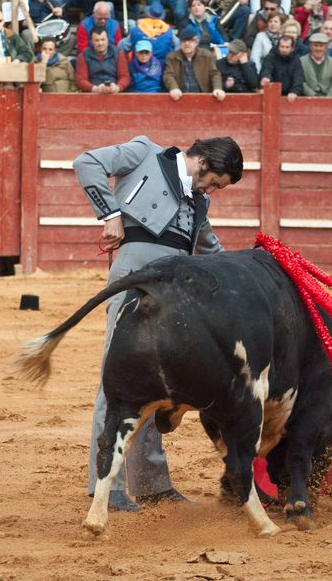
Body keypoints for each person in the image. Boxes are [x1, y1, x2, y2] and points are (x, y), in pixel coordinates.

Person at [74, 134, 244, 512]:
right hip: (134, 276)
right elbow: (87, 160)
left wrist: (243, 273)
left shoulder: (199, 202)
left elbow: (209, 248)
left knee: (157, 383)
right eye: (215, 181)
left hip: (174, 292)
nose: (212, 189)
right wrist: (110, 214)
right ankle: (107, 485)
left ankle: (151, 484)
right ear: (203, 161)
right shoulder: (144, 153)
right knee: (117, 382)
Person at [163, 26, 225, 101]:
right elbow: (168, 75)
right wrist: (173, 88)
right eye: (184, 41)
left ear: (196, 42)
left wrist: (217, 88)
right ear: (180, 43)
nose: (187, 43)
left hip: (202, 97)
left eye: (190, 41)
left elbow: (214, 73)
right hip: (180, 97)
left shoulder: (207, 56)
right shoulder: (172, 57)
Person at [76, 25, 130, 93]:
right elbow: (81, 80)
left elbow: (124, 77)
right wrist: (95, 89)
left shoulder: (118, 54)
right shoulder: (83, 56)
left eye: (102, 39)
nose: (100, 43)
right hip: (92, 93)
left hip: (115, 92)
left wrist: (118, 87)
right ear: (92, 41)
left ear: (107, 39)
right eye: (96, 40)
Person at [259, 34, 304, 102]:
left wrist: (295, 91)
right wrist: (266, 77)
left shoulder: (296, 60)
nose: (284, 49)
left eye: (287, 47)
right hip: (272, 95)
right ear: (278, 47)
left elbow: (298, 77)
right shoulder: (270, 57)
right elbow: (267, 69)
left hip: (290, 95)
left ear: (292, 48)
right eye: (282, 47)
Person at [300, 32, 332, 97]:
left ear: (326, 47)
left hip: (328, 99)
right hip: (308, 98)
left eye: (321, 46)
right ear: (310, 46)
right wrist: (313, 95)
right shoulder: (302, 61)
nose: (318, 49)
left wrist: (329, 97)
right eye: (315, 45)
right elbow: (301, 82)